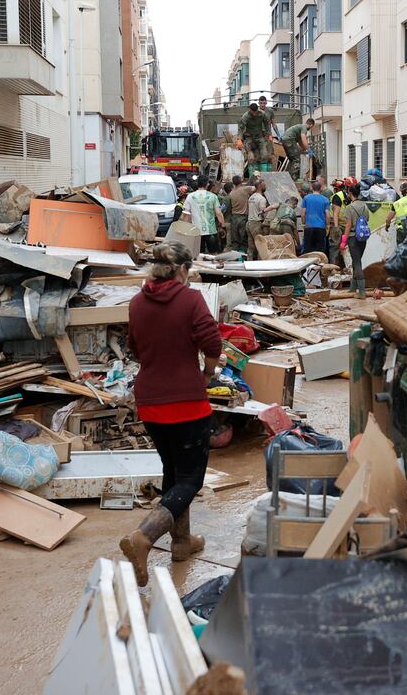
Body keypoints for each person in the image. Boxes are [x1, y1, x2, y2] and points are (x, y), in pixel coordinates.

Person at [120, 242, 221, 587]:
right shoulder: (190, 299)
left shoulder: (136, 303)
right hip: (187, 401)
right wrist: (207, 372)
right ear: (182, 270)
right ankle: (144, 537)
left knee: (173, 471)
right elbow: (212, 342)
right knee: (191, 479)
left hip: (150, 401)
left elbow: (133, 346)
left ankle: (181, 543)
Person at [181, 176, 225, 254]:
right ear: (207, 184)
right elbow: (218, 213)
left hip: (196, 232)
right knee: (213, 254)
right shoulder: (213, 196)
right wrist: (222, 225)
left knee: (198, 254)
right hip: (210, 231)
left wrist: (185, 231)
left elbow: (186, 215)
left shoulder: (190, 196)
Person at [342, 183, 370, 298]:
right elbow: (367, 218)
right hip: (362, 238)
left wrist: (343, 240)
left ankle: (362, 292)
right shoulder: (364, 206)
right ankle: (353, 288)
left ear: (350, 194)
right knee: (355, 261)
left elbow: (348, 225)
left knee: (357, 262)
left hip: (353, 238)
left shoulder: (349, 208)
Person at [236, 102, 274, 171]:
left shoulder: (262, 114)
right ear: (250, 110)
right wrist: (239, 139)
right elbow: (241, 128)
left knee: (264, 155)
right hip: (249, 138)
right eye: (252, 112)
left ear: (257, 110)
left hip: (259, 137)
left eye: (255, 112)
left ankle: (264, 174)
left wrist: (269, 135)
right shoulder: (246, 116)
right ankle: (252, 175)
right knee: (251, 157)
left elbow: (267, 124)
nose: (254, 114)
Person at [246, 179, 276, 259]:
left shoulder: (251, 197)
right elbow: (262, 212)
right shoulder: (261, 199)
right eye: (264, 185)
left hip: (249, 223)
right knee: (261, 245)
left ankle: (249, 262)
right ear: (260, 186)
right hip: (256, 224)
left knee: (251, 246)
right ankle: (261, 263)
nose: (265, 186)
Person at [301, 180, 330, 256]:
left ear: (311, 188)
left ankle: (309, 266)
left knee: (308, 250)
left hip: (309, 227)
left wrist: (304, 223)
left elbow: (303, 213)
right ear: (320, 189)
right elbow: (327, 214)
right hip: (321, 227)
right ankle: (319, 265)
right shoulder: (325, 200)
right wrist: (328, 225)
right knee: (320, 250)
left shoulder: (306, 198)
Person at [227, 174, 253, 252]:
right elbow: (256, 188)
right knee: (243, 240)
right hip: (243, 218)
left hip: (234, 218)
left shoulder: (231, 193)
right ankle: (242, 257)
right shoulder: (245, 189)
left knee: (235, 240)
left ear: (233, 183)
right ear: (241, 181)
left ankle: (235, 256)